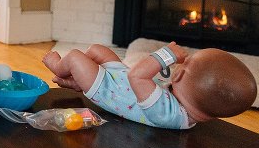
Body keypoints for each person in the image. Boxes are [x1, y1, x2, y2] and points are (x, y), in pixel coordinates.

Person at [42, 42, 257, 129]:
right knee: (98, 51)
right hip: (121, 80)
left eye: (186, 62)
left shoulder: (167, 114)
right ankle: (78, 80)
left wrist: (165, 55)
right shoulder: (187, 106)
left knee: (74, 57)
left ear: (179, 75)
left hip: (108, 89)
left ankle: (60, 67)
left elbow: (138, 76)